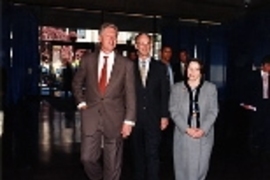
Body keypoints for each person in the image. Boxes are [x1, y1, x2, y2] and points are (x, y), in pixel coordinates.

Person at [72, 22, 136, 180]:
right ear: (100, 38)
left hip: (115, 118)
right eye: (108, 35)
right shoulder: (88, 60)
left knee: (112, 164)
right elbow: (77, 83)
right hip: (91, 116)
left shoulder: (126, 64)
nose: (111, 39)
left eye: (114, 36)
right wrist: (81, 103)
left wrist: (129, 121)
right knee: (87, 158)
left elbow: (130, 94)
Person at [169, 58, 218, 180]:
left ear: (201, 71)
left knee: (200, 169)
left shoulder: (210, 88)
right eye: (190, 69)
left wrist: (203, 129)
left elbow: (213, 111)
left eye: (196, 69)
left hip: (203, 135)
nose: (192, 72)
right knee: (182, 169)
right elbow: (173, 111)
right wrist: (186, 129)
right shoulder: (176, 88)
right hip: (183, 134)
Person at [131, 33, 170, 180]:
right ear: (136, 46)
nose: (145, 47)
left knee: (153, 155)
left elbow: (165, 93)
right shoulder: (129, 67)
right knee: (137, 156)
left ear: (151, 46)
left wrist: (164, 115)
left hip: (154, 119)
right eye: (142, 43)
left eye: (148, 44)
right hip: (134, 119)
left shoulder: (160, 68)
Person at [241, 55, 270, 179]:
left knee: (266, 130)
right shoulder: (252, 76)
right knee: (254, 131)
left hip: (267, 107)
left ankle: (264, 153)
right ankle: (252, 156)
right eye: (269, 65)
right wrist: (245, 104)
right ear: (264, 65)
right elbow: (244, 91)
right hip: (255, 107)